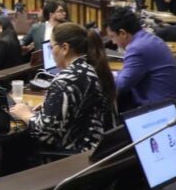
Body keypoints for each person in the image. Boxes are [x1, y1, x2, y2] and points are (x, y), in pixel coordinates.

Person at [9, 23, 117, 153]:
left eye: (51, 47)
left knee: (14, 151)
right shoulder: (89, 68)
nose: (51, 52)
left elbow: (43, 133)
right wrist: (50, 106)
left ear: (65, 48)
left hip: (73, 156)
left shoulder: (65, 80)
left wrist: (26, 114)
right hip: (92, 147)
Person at [105, 8, 176, 111]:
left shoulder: (137, 48)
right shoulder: (149, 38)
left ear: (123, 33)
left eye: (112, 37)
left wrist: (105, 78)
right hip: (169, 102)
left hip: (161, 110)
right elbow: (126, 74)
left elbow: (121, 85)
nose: (114, 42)